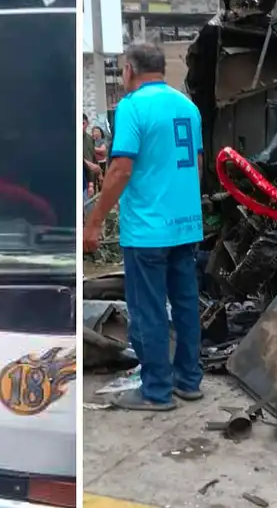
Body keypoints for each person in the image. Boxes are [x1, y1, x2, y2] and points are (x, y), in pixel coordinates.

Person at [83, 42, 204, 411]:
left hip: (148, 232)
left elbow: (120, 169)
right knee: (185, 306)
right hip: (186, 227)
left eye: (122, 69)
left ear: (130, 71)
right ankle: (189, 381)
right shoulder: (189, 107)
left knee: (148, 309)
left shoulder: (133, 108)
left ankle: (155, 391)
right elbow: (197, 166)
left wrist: (95, 221)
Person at [83, 114, 101, 202]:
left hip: (91, 178)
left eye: (83, 123)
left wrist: (99, 173)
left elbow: (93, 156)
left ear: (87, 123)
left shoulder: (89, 139)